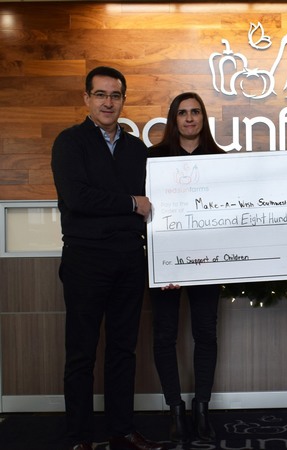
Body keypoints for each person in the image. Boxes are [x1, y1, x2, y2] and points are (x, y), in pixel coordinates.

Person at [51, 66, 166, 450]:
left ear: (123, 100)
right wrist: (130, 204)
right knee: (81, 354)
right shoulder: (70, 142)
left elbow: (154, 206)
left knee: (122, 351)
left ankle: (122, 430)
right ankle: (80, 437)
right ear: (87, 98)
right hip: (86, 260)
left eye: (115, 95)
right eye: (100, 94)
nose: (108, 102)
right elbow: (78, 199)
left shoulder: (137, 149)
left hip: (129, 260)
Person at [148, 92, 225, 444]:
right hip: (165, 266)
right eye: (182, 113)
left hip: (208, 264)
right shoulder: (153, 159)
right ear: (173, 118)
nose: (189, 118)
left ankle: (202, 408)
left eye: (195, 112)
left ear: (203, 118)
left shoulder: (220, 160)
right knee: (164, 336)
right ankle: (175, 410)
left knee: (206, 335)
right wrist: (163, 263)